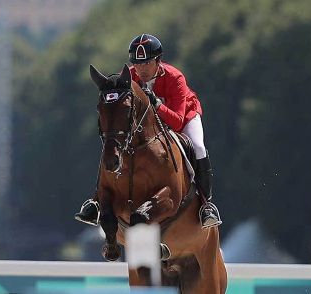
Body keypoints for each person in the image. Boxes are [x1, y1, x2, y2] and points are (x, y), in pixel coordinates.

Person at [75, 33, 222, 228]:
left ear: (158, 61)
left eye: (146, 63)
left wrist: (157, 104)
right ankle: (97, 201)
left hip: (184, 116)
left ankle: (206, 205)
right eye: (136, 63)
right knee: (114, 145)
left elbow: (177, 122)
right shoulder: (129, 76)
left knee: (198, 146)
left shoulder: (174, 77)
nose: (140, 69)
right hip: (151, 126)